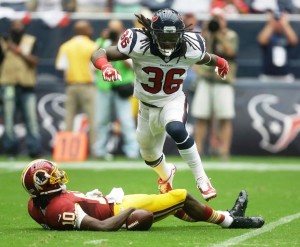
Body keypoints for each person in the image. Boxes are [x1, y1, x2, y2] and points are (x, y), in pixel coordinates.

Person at [91, 8, 230, 201]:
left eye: (173, 38)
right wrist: (105, 67)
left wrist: (221, 62)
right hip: (146, 106)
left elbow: (206, 57)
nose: (168, 42)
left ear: (182, 35)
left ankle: (202, 179)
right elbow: (100, 52)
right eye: (163, 36)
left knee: (176, 128)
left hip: (172, 100)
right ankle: (166, 174)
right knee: (148, 154)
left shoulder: (191, 46)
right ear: (152, 34)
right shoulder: (138, 43)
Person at [21, 159, 265, 231]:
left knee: (167, 203)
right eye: (52, 177)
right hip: (117, 209)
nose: (58, 177)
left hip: (110, 204)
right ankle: (230, 220)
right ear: (42, 186)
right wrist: (124, 210)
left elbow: (65, 211)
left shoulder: (37, 206)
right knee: (179, 195)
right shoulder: (59, 207)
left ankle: (222, 215)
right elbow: (102, 226)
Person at [190, 8, 238, 160]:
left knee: (225, 116)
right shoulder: (206, 35)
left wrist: (219, 34)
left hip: (223, 81)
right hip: (205, 79)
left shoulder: (230, 35)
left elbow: (230, 53)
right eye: (214, 19)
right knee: (201, 116)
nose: (216, 22)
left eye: (219, 19)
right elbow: (197, 52)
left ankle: (224, 151)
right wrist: (206, 32)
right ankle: (198, 149)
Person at [93, 19, 139, 160]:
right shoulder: (101, 42)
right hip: (104, 86)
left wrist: (117, 50)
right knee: (102, 120)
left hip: (121, 87)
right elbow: (94, 61)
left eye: (116, 29)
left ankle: (132, 151)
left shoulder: (127, 44)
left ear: (122, 30)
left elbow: (131, 66)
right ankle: (100, 151)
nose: (113, 31)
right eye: (111, 28)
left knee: (126, 120)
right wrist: (108, 44)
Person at [0, 19, 42, 158]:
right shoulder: (3, 42)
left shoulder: (30, 40)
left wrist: (18, 51)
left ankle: (34, 150)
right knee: (9, 119)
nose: (17, 28)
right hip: (9, 84)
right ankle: (10, 150)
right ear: (10, 28)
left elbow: (35, 60)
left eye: (20, 25)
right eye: (14, 25)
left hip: (27, 85)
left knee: (31, 119)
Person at [55, 20, 98, 154]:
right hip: (87, 86)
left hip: (71, 85)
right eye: (89, 27)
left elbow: (61, 66)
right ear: (85, 30)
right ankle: (95, 151)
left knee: (68, 119)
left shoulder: (66, 46)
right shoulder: (93, 45)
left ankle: (65, 151)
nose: (91, 29)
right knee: (93, 119)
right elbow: (96, 67)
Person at [257, 11, 298, 83]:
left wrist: (285, 24)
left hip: (285, 75)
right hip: (267, 76)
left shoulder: (285, 35)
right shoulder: (269, 35)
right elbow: (262, 40)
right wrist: (271, 24)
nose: (278, 23)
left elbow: (294, 41)